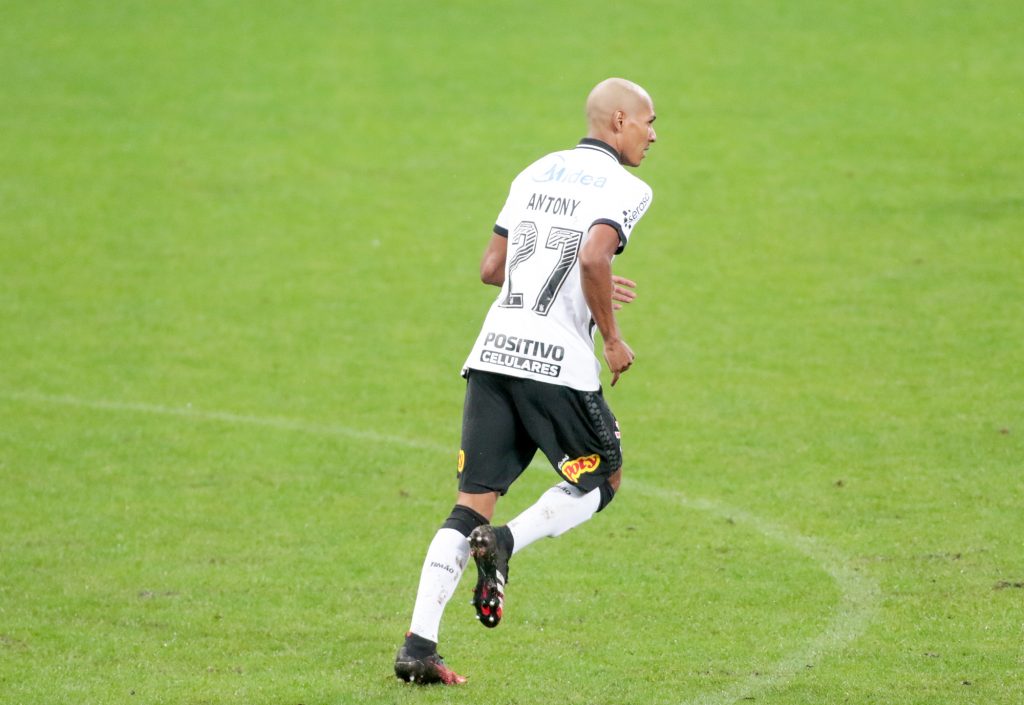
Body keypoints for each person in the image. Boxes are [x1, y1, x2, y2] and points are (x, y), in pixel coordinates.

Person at [394, 77, 657, 685]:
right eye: (648, 121)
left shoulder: (535, 170)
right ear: (618, 121)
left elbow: (492, 267)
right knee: (602, 476)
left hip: (493, 351)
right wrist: (611, 336)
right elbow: (593, 257)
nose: (653, 134)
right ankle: (507, 542)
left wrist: (572, 281)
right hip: (555, 363)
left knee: (468, 503)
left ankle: (417, 646)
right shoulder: (628, 187)